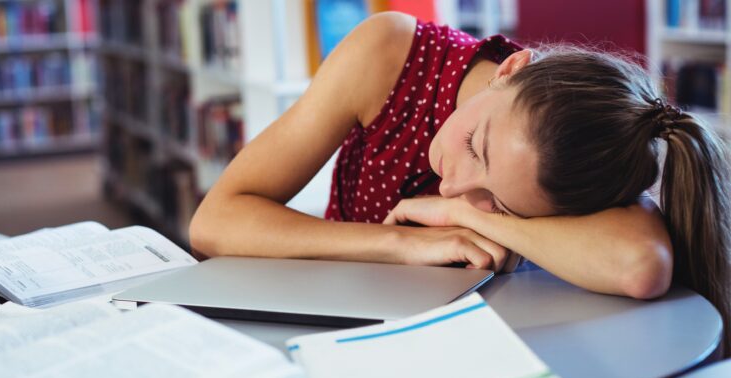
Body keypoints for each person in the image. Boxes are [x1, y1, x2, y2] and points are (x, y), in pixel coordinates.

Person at [190, 12, 731, 352]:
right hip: (330, 331)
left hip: (458, 356)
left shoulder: (578, 156)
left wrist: (463, 217)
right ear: (510, 68)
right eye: (475, 144)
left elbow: (640, 265)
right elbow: (216, 221)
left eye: (497, 201)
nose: (454, 187)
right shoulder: (390, 54)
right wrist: (403, 242)